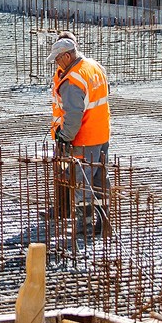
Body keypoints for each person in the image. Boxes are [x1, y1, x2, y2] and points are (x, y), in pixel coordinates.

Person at [46, 30, 111, 238]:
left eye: (58, 59)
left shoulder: (73, 80)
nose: (57, 64)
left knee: (82, 183)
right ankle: (103, 221)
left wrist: (64, 137)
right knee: (100, 180)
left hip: (84, 139)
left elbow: (73, 116)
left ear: (67, 56)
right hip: (101, 133)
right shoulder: (93, 66)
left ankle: (86, 225)